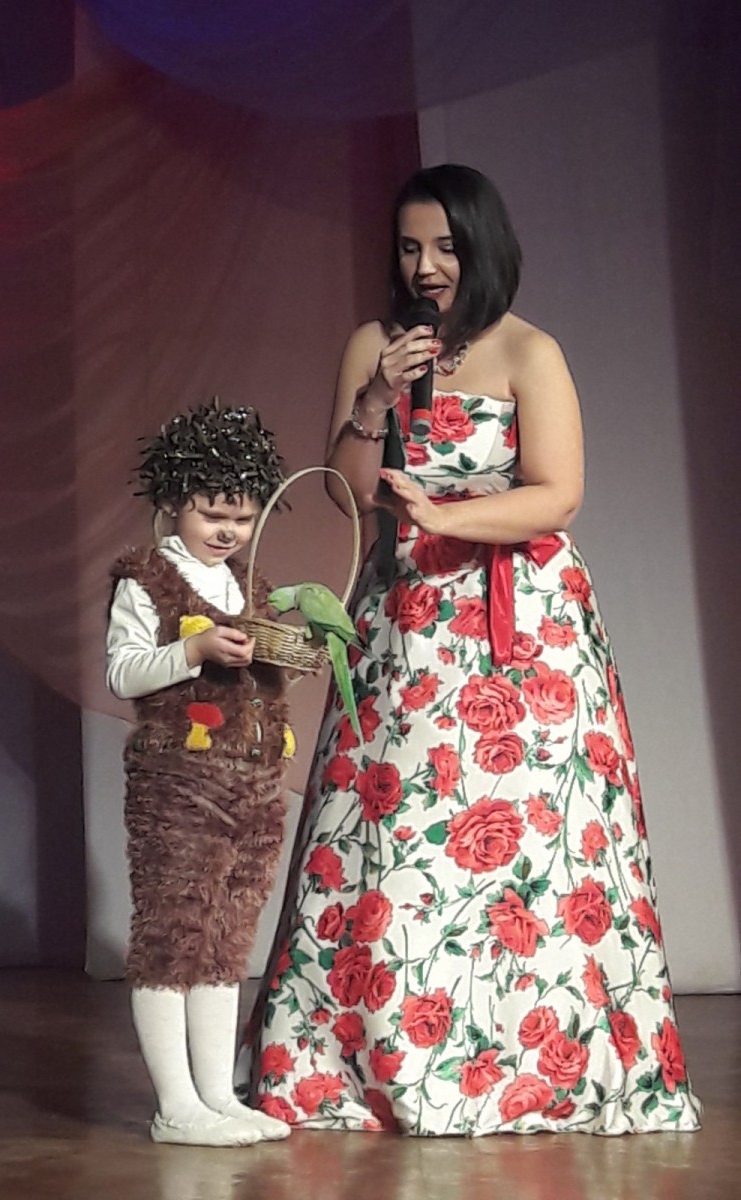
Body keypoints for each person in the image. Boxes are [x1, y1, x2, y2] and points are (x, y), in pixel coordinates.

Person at [252, 165, 702, 1136]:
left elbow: (558, 494)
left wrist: (449, 516)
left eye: (446, 247)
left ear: (483, 246)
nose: (426, 266)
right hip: (406, 623)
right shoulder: (374, 345)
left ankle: (539, 1065)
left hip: (522, 627)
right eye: (410, 247)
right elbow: (343, 490)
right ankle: (379, 1061)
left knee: (536, 843)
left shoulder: (530, 351)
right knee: (394, 835)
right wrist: (376, 398)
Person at [107, 399, 295, 1146]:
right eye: (213, 514)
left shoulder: (248, 585)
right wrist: (193, 651)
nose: (228, 531)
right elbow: (124, 672)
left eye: (242, 518)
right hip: (178, 785)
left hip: (252, 784)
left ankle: (217, 1095)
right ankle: (175, 1105)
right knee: (173, 934)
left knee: (226, 939)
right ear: (175, 503)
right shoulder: (147, 580)